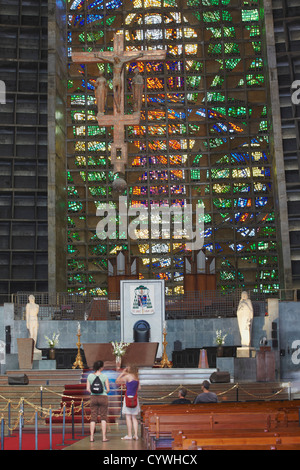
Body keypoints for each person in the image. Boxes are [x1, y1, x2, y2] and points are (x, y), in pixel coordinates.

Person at [86, 360, 110, 442]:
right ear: (101, 368)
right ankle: (104, 437)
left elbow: (88, 389)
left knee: (93, 417)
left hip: (93, 397)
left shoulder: (90, 376)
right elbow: (108, 389)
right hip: (103, 397)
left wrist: (93, 392)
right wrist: (103, 392)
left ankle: (91, 437)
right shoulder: (104, 376)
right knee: (103, 417)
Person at [116, 365, 140, 440]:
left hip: (128, 398)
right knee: (134, 417)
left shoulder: (128, 376)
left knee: (128, 417)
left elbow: (117, 381)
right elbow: (139, 388)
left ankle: (129, 435)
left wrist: (122, 373)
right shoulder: (137, 378)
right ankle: (136, 435)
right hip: (135, 398)